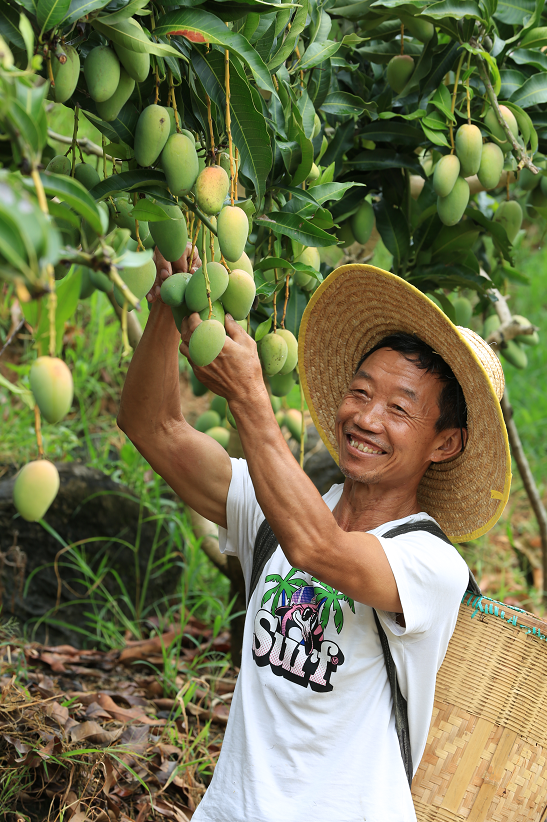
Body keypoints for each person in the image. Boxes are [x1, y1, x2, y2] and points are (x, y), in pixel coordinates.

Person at [118, 252, 511, 822]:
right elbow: (152, 426)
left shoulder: (431, 565)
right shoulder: (272, 508)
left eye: (399, 409)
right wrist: (166, 301)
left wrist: (251, 398)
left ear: (444, 443)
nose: (367, 418)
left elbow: (319, 549)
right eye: (361, 392)